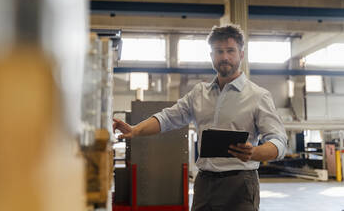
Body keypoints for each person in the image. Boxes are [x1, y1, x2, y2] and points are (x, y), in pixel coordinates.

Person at [113, 24, 288, 211]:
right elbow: (167, 118)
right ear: (211, 55)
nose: (225, 57)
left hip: (240, 185)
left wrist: (255, 152)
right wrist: (135, 130)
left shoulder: (258, 96)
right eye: (218, 51)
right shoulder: (199, 93)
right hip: (204, 184)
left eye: (230, 50)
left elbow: (279, 141)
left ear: (241, 55)